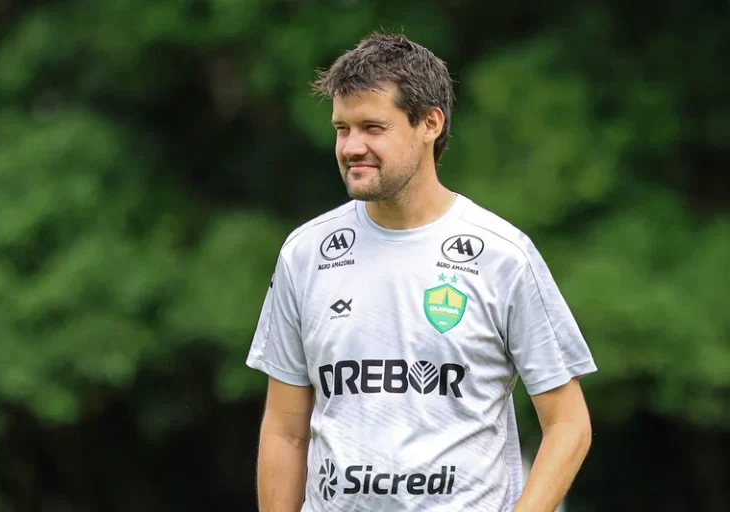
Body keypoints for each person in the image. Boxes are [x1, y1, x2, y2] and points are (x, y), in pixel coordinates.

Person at [245, 31, 597, 512]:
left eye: (373, 127)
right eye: (342, 129)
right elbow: (285, 431)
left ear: (430, 123)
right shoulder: (306, 253)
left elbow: (569, 424)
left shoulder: (502, 255)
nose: (351, 147)